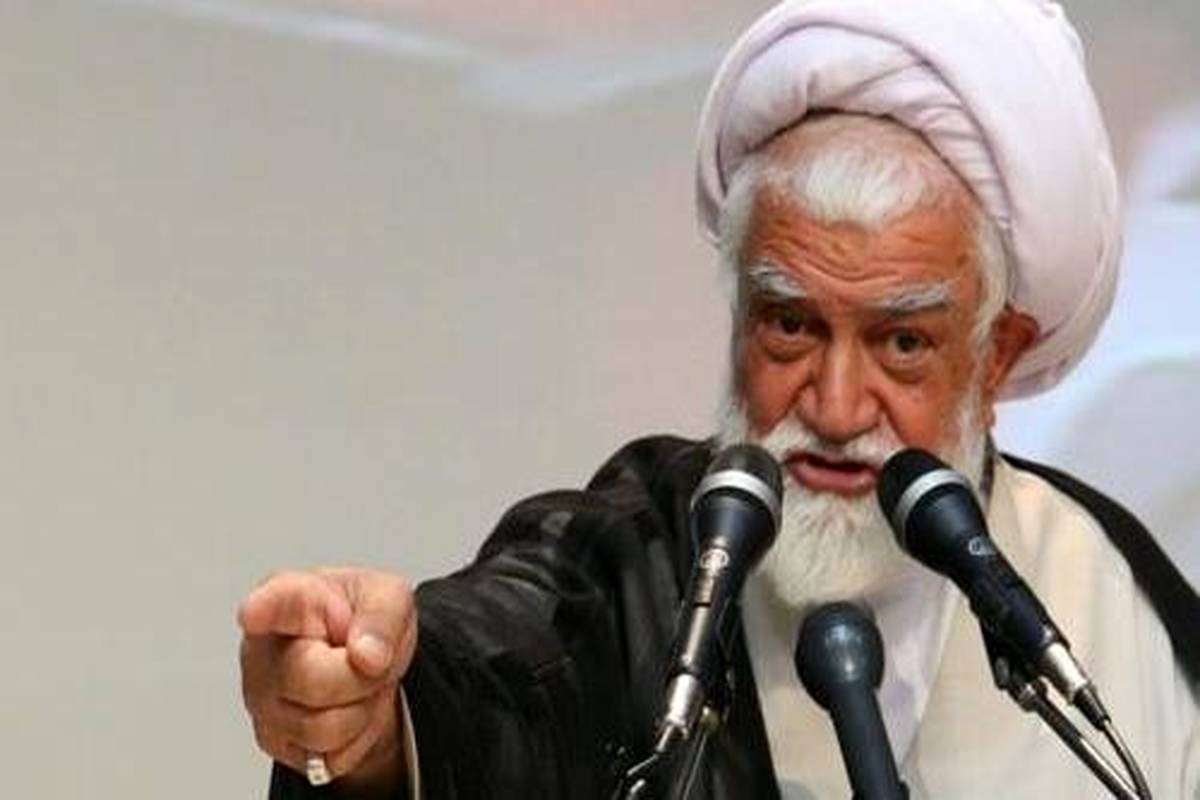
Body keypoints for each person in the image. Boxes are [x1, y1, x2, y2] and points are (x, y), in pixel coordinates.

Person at [237, 0, 1200, 797]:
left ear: (994, 358)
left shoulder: (1110, 595)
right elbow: (496, 675)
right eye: (790, 326)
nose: (835, 407)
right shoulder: (633, 561)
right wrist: (374, 718)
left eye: (901, 343)